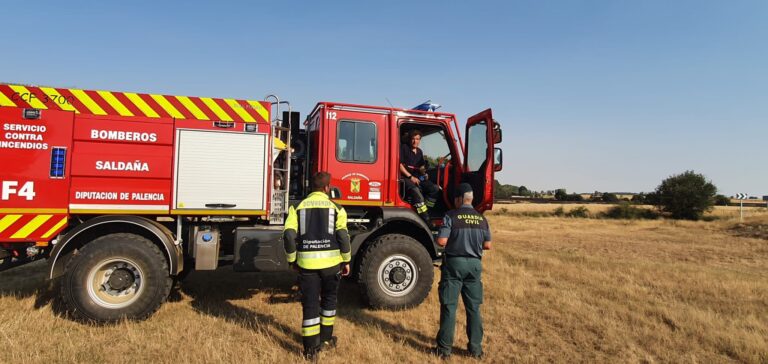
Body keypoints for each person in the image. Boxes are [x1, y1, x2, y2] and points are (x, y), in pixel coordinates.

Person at [283, 172, 352, 361]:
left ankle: (310, 351)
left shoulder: (296, 207)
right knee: (329, 301)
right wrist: (346, 261)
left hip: (306, 265)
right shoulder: (337, 208)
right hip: (331, 265)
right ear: (327, 188)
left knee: (310, 305)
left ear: (311, 188)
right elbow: (343, 237)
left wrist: (292, 260)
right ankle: (326, 340)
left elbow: (289, 235)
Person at [434, 183, 492, 359]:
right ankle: (476, 350)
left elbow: (442, 241)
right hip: (474, 266)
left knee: (449, 307)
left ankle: (444, 351)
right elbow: (487, 245)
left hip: (454, 265)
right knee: (473, 308)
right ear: (471, 199)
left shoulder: (451, 215)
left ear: (459, 199)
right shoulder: (482, 219)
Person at [399, 129, 440, 225]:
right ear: (410, 139)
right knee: (416, 193)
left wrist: (424, 174)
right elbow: (400, 165)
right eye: (413, 139)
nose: (415, 141)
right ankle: (425, 219)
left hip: (418, 177)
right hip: (406, 178)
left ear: (420, 140)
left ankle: (427, 210)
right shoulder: (404, 148)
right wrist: (410, 177)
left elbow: (421, 168)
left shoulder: (420, 152)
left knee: (435, 189)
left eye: (417, 139)